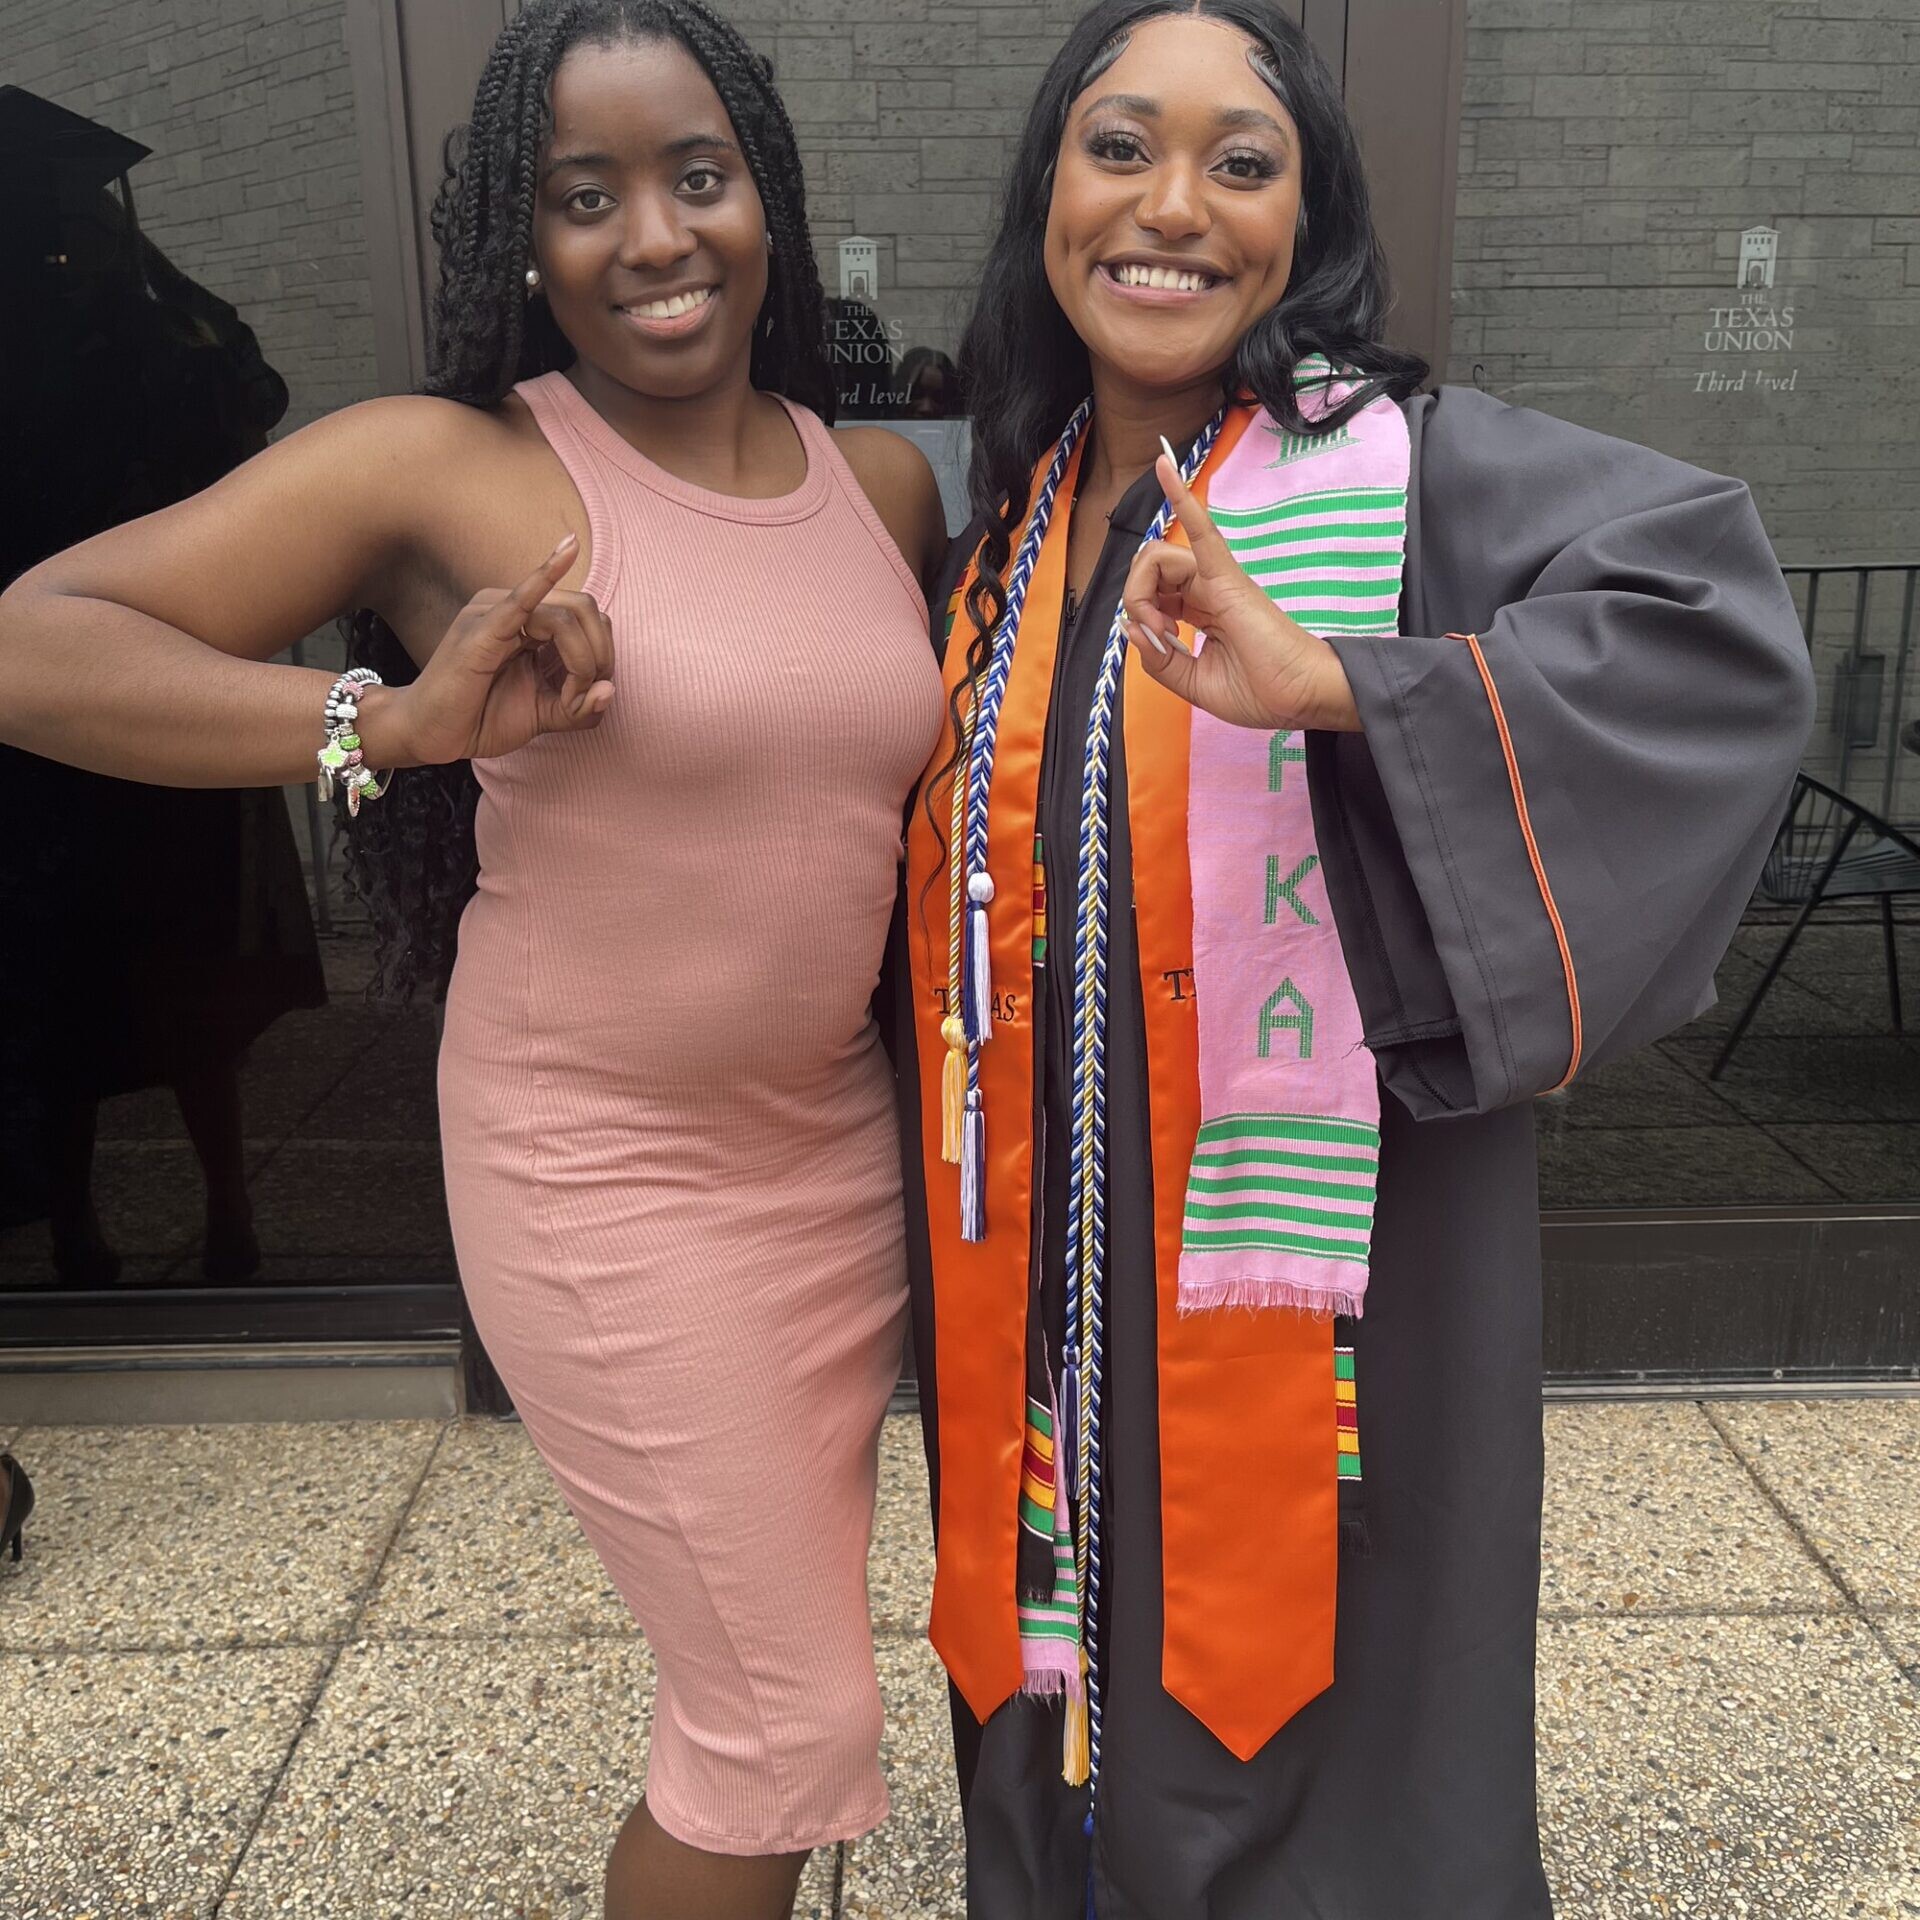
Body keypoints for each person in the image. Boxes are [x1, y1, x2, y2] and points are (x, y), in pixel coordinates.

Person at [0, 4, 946, 1916]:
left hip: (832, 1165)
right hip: (601, 1174)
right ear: (522, 243)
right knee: (782, 1728)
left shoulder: (885, 493)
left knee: (755, 1706)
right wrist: (386, 723)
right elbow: (38, 639)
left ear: (767, 196)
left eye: (697, 175)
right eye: (583, 197)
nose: (655, 236)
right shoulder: (449, 465)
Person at [889, 4, 1815, 1915]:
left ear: (1308, 226)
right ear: (1044, 195)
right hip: (1049, 1275)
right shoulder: (1000, 523)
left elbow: (1712, 632)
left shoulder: (1420, 477)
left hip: (1333, 1291)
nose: (1174, 208)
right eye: (1120, 146)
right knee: (1066, 1665)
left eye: (1245, 163)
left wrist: (1349, 690)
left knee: (1340, 1729)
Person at [0, 114, 325, 1286]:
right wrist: (147, 281)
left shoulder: (134, 318)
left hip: (147, 670)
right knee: (104, 972)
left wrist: (151, 276)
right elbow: (244, 390)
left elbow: (254, 391)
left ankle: (197, 1215)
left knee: (145, 969)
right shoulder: (85, 333)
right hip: (71, 696)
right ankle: (129, 1220)